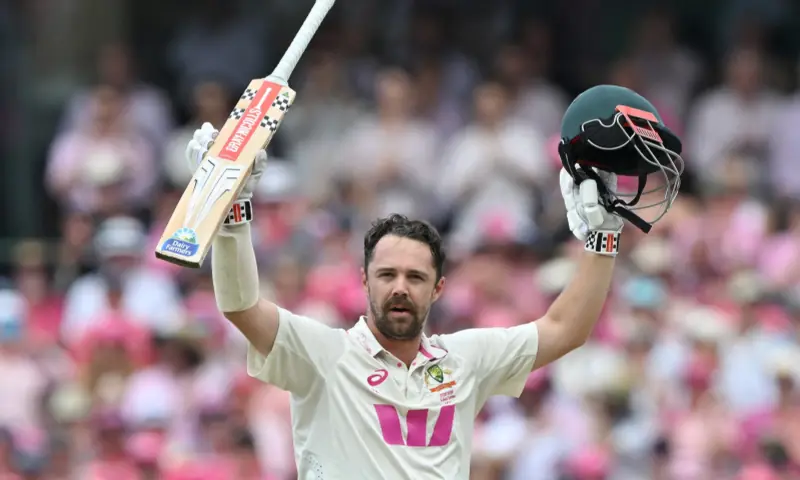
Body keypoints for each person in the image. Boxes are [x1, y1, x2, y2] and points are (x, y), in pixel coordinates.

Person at [178, 85, 682, 479]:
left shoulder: (465, 359)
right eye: (388, 275)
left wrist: (602, 238)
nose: (400, 286)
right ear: (364, 282)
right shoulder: (323, 355)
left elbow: (565, 329)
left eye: (416, 276)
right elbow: (241, 306)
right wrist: (234, 214)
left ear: (438, 288)